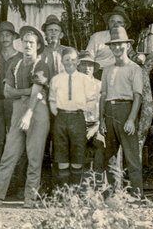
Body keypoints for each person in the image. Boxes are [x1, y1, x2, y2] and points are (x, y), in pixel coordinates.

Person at [0, 26, 52, 208]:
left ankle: (30, 197)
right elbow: (7, 92)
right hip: (18, 109)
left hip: (36, 111)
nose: (28, 45)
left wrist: (28, 113)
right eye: (25, 42)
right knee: (9, 154)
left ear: (38, 46)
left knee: (34, 156)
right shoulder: (15, 64)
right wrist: (27, 91)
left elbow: (37, 93)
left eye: (31, 43)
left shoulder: (41, 65)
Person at [98, 28, 145, 198]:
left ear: (127, 46)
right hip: (109, 111)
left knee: (131, 154)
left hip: (126, 110)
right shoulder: (107, 69)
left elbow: (137, 96)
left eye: (120, 44)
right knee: (110, 156)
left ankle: (137, 194)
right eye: (114, 45)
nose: (117, 48)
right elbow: (103, 95)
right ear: (110, 47)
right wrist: (102, 120)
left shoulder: (134, 68)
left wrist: (131, 119)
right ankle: (113, 195)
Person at [49, 47, 100, 186]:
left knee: (77, 156)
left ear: (77, 61)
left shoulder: (85, 80)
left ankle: (74, 191)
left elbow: (92, 100)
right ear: (62, 61)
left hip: (78, 118)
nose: (70, 62)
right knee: (62, 156)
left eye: (73, 59)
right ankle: (65, 192)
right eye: (66, 60)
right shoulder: (57, 79)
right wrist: (61, 113)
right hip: (61, 118)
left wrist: (80, 110)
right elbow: (52, 100)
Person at [0, 21, 22, 192]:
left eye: (8, 35)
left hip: (15, 103)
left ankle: (17, 185)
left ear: (14, 37)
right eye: (2, 35)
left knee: (16, 143)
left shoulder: (21, 57)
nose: (5, 38)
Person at [77, 51, 104, 179]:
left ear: (94, 68)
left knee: (100, 143)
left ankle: (98, 181)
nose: (87, 68)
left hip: (96, 124)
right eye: (83, 64)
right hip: (78, 125)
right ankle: (77, 184)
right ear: (78, 66)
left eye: (90, 65)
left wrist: (96, 127)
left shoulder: (100, 85)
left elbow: (104, 110)